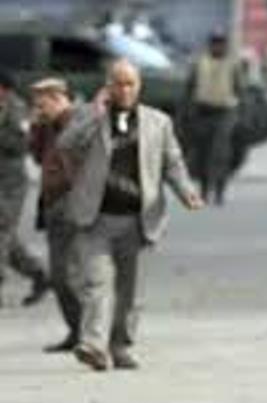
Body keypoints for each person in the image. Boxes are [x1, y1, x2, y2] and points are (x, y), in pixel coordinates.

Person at [61, 59, 204, 371]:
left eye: (130, 84)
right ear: (107, 86)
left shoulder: (158, 122)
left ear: (139, 87)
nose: (124, 90)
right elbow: (66, 144)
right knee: (96, 284)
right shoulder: (89, 116)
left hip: (139, 220)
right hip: (96, 218)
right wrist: (96, 112)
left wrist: (186, 191)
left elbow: (172, 162)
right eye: (118, 83)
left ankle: (120, 345)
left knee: (131, 292)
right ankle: (94, 345)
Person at [28, 78, 83, 352]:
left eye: (42, 105)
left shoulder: (77, 123)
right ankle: (78, 331)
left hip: (71, 204)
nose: (39, 110)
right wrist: (37, 126)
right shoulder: (49, 126)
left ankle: (90, 332)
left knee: (66, 275)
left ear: (59, 98)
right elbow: (39, 157)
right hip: (53, 205)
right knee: (62, 275)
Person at [0, 71, 50, 308]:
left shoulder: (16, 109)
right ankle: (38, 273)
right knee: (7, 238)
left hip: (10, 184)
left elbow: (21, 144)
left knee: (1, 231)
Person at [185, 31, 242, 206]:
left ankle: (219, 191)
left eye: (221, 43)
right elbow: (190, 88)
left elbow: (239, 89)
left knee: (220, 153)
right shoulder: (199, 63)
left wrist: (240, 114)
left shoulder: (232, 64)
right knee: (203, 153)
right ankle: (204, 189)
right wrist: (188, 112)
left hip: (224, 112)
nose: (218, 46)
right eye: (215, 43)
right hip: (203, 112)